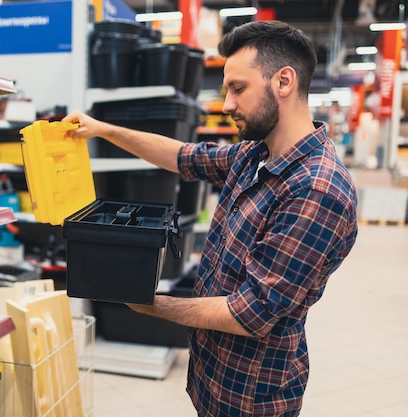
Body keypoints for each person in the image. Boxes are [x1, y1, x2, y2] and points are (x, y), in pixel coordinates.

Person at [63, 20, 358, 417]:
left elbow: (251, 313)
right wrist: (102, 129)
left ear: (284, 81)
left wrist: (150, 305)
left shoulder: (316, 190)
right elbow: (179, 156)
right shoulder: (254, 155)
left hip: (253, 395)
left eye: (238, 89)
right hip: (211, 376)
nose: (227, 105)